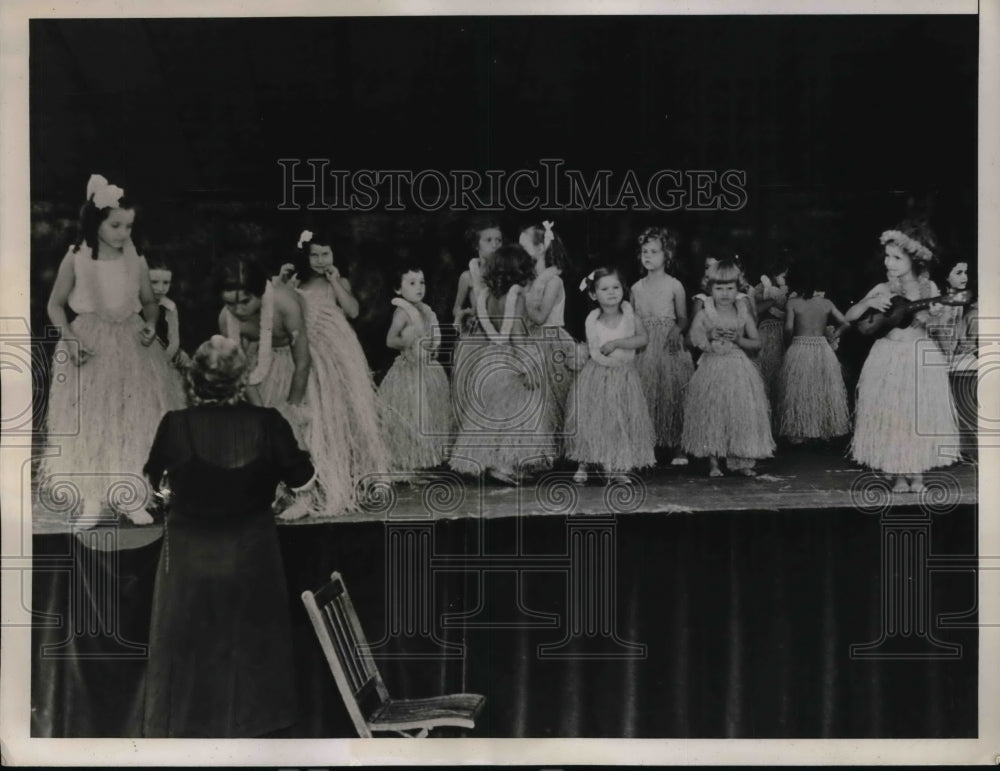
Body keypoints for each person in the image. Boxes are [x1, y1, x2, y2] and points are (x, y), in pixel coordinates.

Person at [142, 335, 314, 737]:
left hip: (189, 560)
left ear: (193, 379)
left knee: (189, 654)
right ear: (242, 379)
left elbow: (153, 485)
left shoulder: (175, 424)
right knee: (252, 658)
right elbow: (304, 481)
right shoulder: (269, 422)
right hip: (251, 557)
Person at [39, 174, 185, 525]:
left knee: (130, 417)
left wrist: (151, 323)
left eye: (129, 226)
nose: (123, 233)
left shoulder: (136, 260)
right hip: (89, 343)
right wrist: (70, 338)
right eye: (116, 225)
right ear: (96, 223)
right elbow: (55, 305)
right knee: (94, 420)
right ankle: (93, 499)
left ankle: (131, 495)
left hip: (130, 344)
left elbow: (148, 302)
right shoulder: (76, 258)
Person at [844, 223, 960, 493]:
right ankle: (897, 474)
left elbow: (938, 326)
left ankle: (917, 474)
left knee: (916, 415)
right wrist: (868, 304)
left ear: (915, 261)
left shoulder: (929, 288)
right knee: (893, 415)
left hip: (918, 356)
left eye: (897, 257)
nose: (889, 262)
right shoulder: (882, 288)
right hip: (887, 357)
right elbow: (850, 316)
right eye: (887, 256)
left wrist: (935, 315)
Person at [290, 228, 389, 513]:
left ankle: (354, 472)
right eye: (315, 255)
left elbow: (353, 311)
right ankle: (317, 474)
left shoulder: (338, 281)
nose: (321, 260)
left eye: (326, 254)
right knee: (314, 411)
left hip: (335, 354)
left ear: (335, 255)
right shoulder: (299, 284)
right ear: (305, 257)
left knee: (342, 410)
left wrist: (335, 282)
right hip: (308, 354)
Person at [449, 244, 556, 485]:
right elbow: (516, 334)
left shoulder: (486, 296)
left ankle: (497, 462)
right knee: (514, 415)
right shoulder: (516, 296)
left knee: (493, 414)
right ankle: (503, 464)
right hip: (511, 361)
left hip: (489, 359)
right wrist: (527, 365)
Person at [681, 259, 775, 477]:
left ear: (738, 288)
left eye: (730, 288)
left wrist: (739, 339)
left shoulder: (743, 313)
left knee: (740, 412)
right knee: (713, 412)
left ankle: (741, 459)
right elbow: (689, 341)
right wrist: (707, 335)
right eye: (719, 288)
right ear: (709, 288)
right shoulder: (704, 313)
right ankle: (714, 462)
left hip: (738, 367)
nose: (724, 294)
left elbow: (757, 344)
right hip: (712, 367)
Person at [566, 267, 656, 484]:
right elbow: (591, 346)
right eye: (604, 289)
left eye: (616, 287)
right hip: (597, 377)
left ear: (623, 290)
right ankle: (584, 463)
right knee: (593, 420)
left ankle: (618, 466)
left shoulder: (630, 317)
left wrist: (617, 343)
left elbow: (643, 339)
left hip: (623, 376)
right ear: (593, 294)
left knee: (620, 421)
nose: (611, 292)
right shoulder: (592, 320)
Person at [376, 261, 454, 477]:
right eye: (411, 283)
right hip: (409, 372)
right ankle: (407, 461)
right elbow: (390, 340)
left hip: (428, 371)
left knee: (430, 414)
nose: (419, 287)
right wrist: (409, 342)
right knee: (411, 415)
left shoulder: (426, 311)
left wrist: (433, 348)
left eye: (422, 282)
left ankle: (424, 459)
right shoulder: (402, 312)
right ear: (398, 289)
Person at [630, 227, 694, 464]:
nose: (647, 256)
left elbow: (683, 318)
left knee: (672, 393)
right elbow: (631, 319)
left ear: (667, 255)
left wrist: (676, 330)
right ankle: (648, 444)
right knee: (646, 393)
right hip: (644, 345)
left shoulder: (675, 285)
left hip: (668, 343)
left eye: (654, 252)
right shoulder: (636, 288)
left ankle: (677, 446)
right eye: (644, 251)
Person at [520, 220, 585, 441]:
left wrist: (523, 298)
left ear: (540, 248)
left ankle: (555, 444)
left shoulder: (553, 281)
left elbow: (539, 317)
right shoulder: (529, 281)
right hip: (531, 340)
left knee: (553, 396)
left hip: (550, 341)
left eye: (523, 247)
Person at [776, 265, 851, 443]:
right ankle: (822, 431)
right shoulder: (826, 303)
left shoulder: (793, 303)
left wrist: (788, 346)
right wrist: (834, 335)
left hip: (799, 347)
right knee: (822, 389)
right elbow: (846, 323)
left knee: (799, 391)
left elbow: (788, 328)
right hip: (822, 348)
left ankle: (800, 433)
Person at [147, 255, 191, 371]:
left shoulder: (170, 307)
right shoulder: (134, 307)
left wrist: (162, 361)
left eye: (166, 283)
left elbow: (174, 342)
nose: (160, 288)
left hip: (162, 358)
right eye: (154, 282)